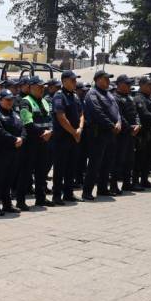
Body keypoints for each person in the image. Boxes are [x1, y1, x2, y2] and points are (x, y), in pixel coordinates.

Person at [81, 70, 120, 201]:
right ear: (97, 80)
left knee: (107, 162)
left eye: (109, 79)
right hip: (98, 133)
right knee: (95, 164)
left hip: (110, 133)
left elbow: (116, 110)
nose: (108, 81)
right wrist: (111, 124)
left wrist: (118, 121)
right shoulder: (92, 94)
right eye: (106, 78)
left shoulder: (109, 94)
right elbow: (97, 112)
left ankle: (103, 188)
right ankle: (87, 191)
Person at [16, 76, 54, 209]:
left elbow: (50, 120)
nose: (41, 89)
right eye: (39, 87)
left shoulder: (44, 101)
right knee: (25, 173)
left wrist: (50, 131)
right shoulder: (25, 102)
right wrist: (43, 133)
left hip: (44, 142)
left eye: (42, 87)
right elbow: (27, 124)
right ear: (31, 87)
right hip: (30, 143)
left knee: (41, 173)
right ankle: (20, 201)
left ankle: (41, 198)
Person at [0, 89, 24, 216]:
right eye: (7, 100)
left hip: (14, 152)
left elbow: (22, 127)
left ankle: (7, 205)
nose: (10, 102)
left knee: (9, 180)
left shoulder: (15, 113)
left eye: (12, 99)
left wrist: (22, 138)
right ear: (0, 100)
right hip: (0, 152)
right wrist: (14, 139)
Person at [51, 70, 83, 205]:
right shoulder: (59, 96)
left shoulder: (75, 96)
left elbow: (82, 113)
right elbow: (61, 117)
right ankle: (57, 195)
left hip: (74, 137)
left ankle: (68, 193)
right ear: (64, 81)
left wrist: (80, 129)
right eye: (73, 80)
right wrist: (73, 132)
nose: (75, 82)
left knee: (71, 166)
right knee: (60, 168)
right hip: (62, 138)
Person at [111, 75, 140, 194]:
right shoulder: (115, 98)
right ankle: (113, 185)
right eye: (127, 84)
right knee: (118, 160)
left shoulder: (130, 97)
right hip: (121, 134)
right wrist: (130, 128)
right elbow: (119, 116)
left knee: (129, 160)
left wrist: (138, 124)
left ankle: (127, 184)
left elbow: (136, 113)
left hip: (131, 133)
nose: (130, 86)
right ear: (120, 84)